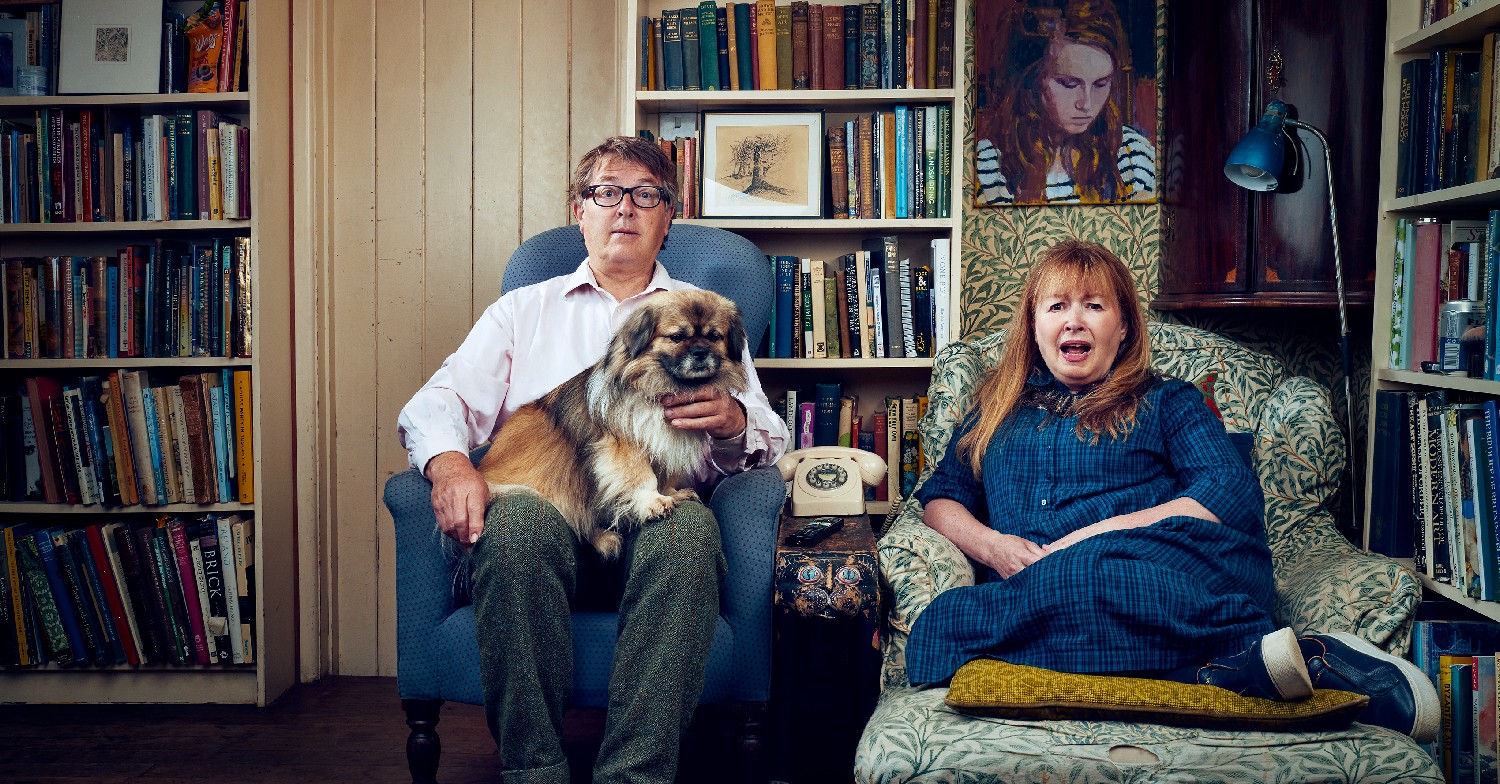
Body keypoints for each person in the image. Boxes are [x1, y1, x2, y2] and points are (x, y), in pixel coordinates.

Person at [903, 239, 1437, 741]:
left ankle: (1232, 649)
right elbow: (941, 498)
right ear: (1034, 327)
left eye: (1094, 306)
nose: (1073, 320)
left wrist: (1088, 540)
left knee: (1084, 576)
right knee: (940, 625)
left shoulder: (1167, 401)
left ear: (1123, 329)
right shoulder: (995, 409)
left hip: (1161, 567)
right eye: (1057, 306)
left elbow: (1227, 490)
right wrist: (993, 547)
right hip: (1034, 588)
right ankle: (1251, 666)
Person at [397, 136, 790, 783]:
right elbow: (436, 404)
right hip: (548, 526)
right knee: (515, 524)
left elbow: (770, 436)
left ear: (669, 217)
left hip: (657, 526)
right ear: (579, 210)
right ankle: (534, 772)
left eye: (646, 195)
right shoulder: (523, 311)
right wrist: (451, 466)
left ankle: (635, 776)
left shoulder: (707, 315)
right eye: (607, 192)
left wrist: (733, 422)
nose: (625, 208)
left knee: (689, 532)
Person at [973, 0, 1156, 205]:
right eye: (1069, 84)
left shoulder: (1131, 154)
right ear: (1033, 81)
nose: (1086, 104)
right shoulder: (991, 163)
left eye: (1101, 84)